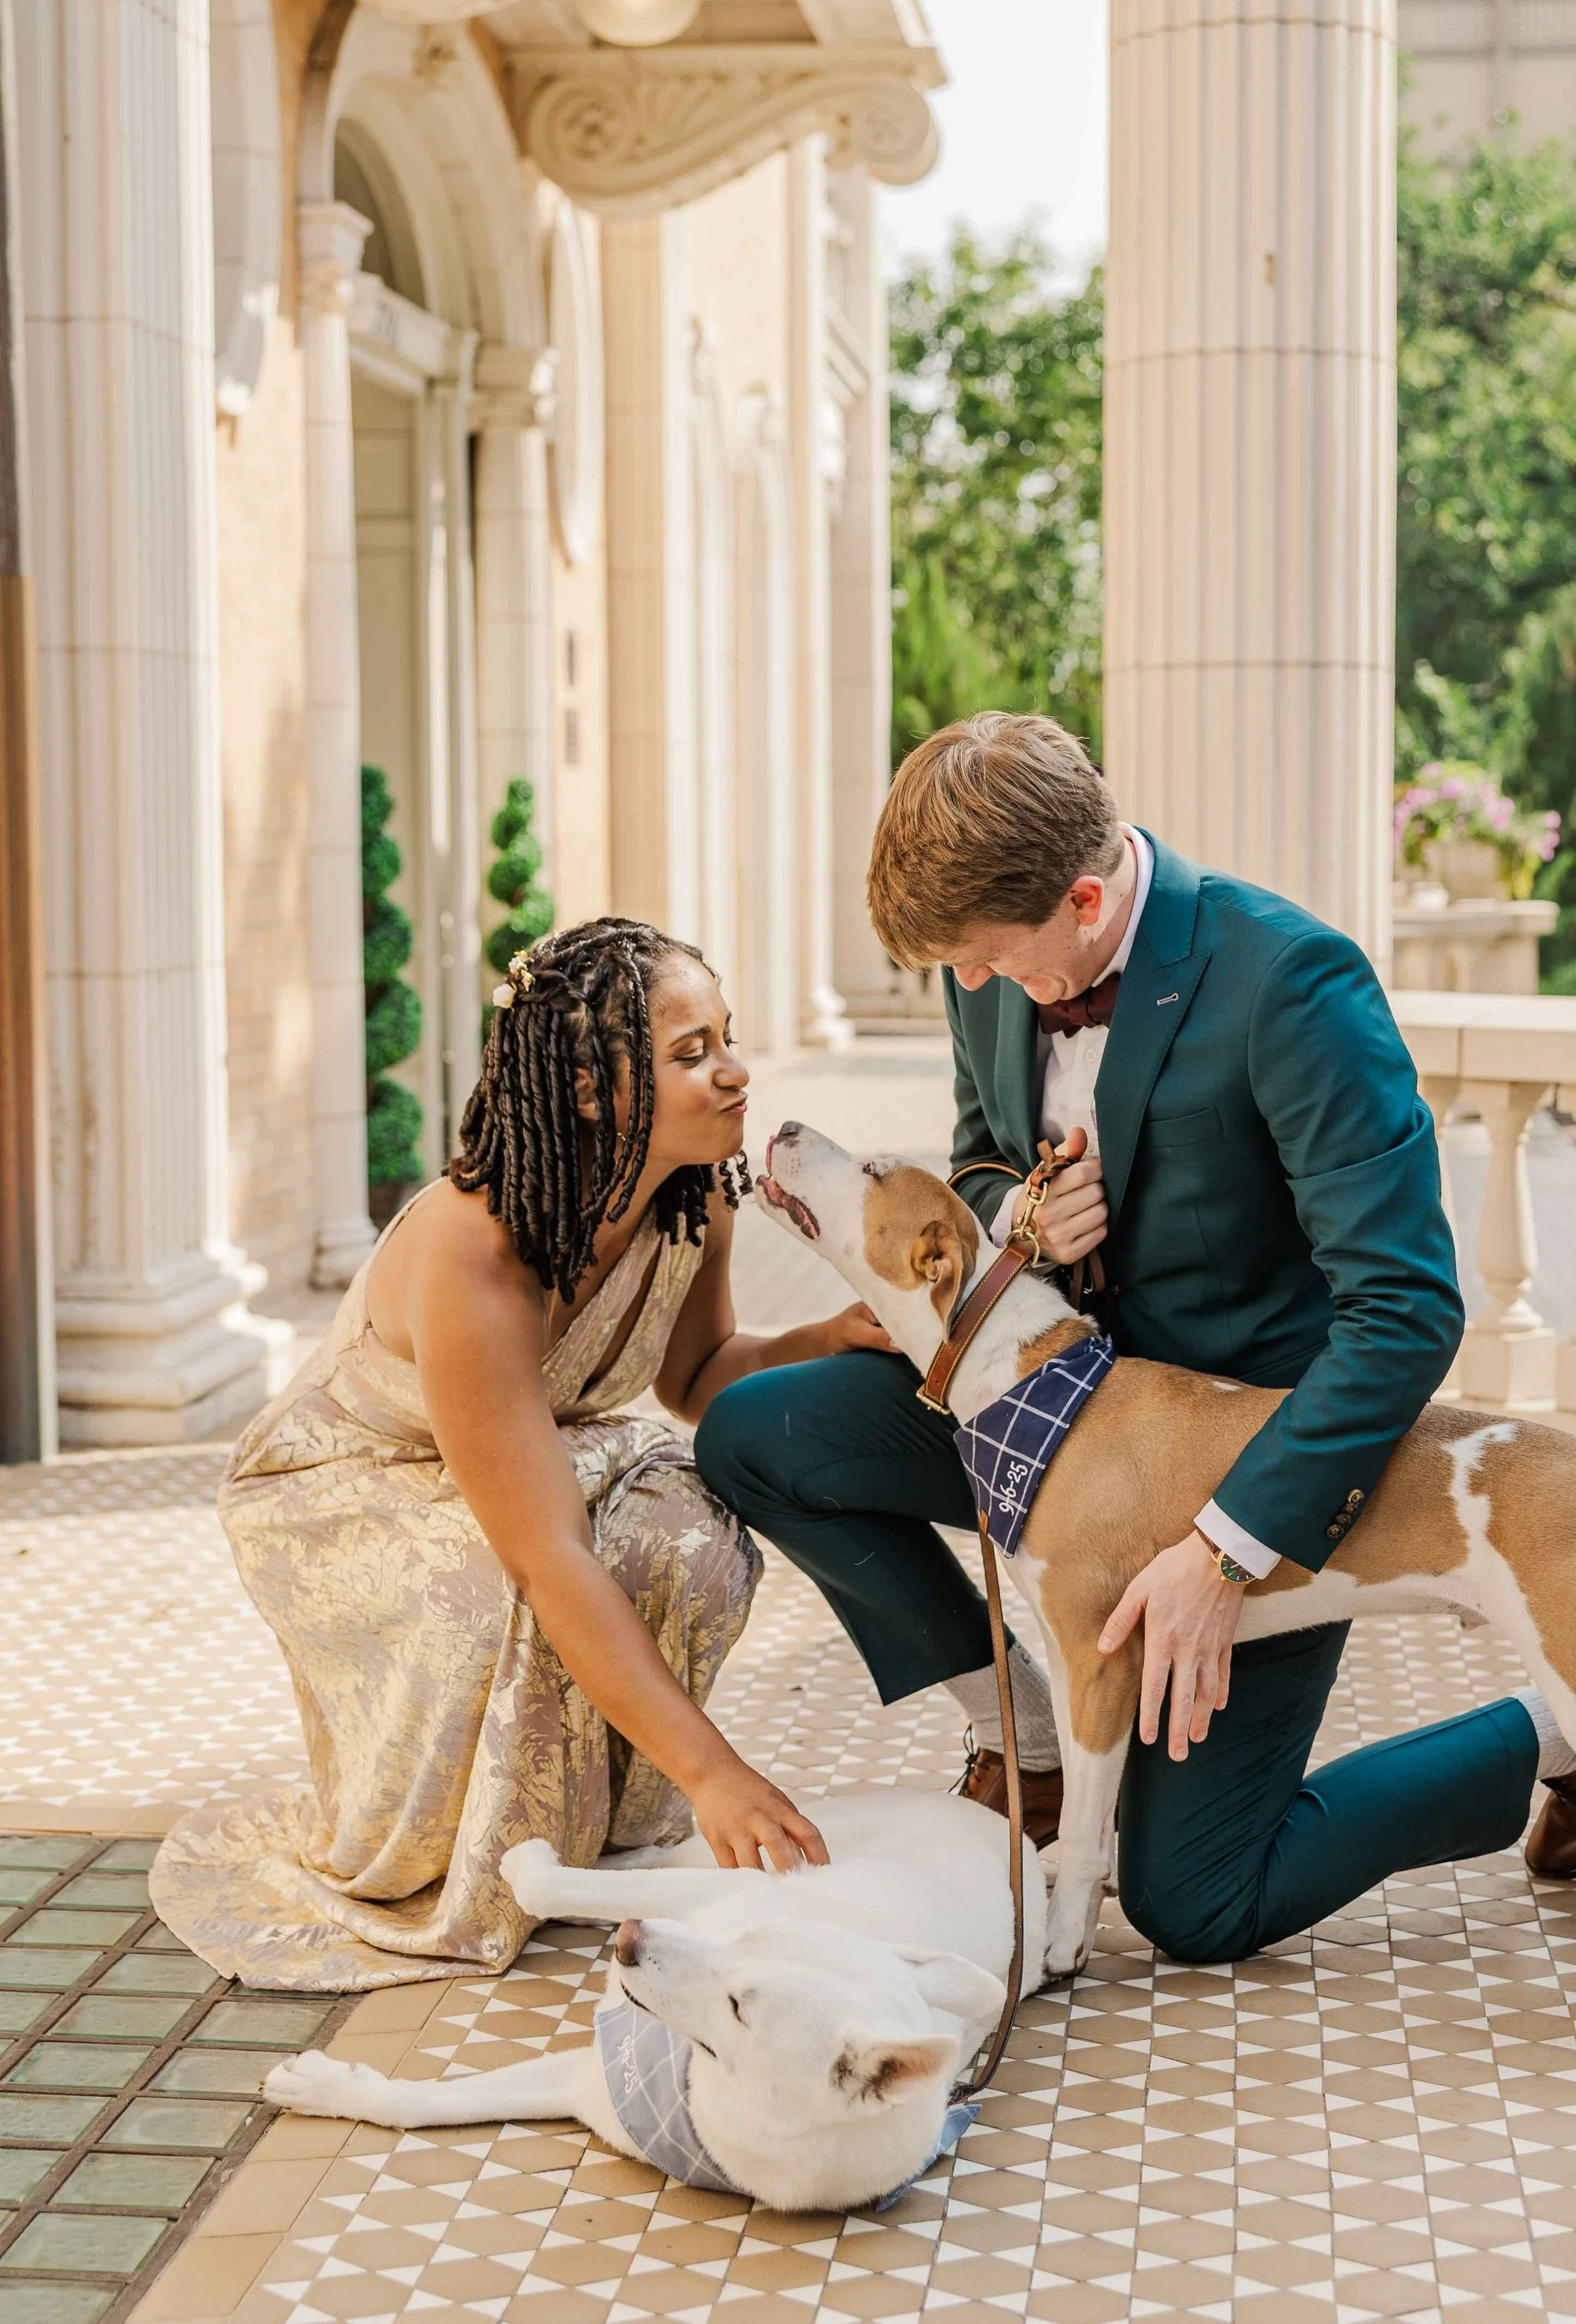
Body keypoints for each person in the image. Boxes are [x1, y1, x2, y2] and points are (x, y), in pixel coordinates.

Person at [698, 712, 1574, 1962]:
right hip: (1036, 1416)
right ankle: (1031, 1743)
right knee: (757, 1433)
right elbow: (975, 1162)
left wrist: (1223, 1551)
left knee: (1192, 1902)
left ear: (1086, 894)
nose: (983, 989)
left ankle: (1547, 1741)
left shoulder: (1289, 982)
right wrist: (1017, 1216)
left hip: (1244, 1476)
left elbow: (1406, 1307)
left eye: (1000, 963)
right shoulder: (990, 969)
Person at [153, 917, 888, 1991]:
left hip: (518, 1460)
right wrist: (717, 1770)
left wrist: (825, 1338)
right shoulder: (474, 1250)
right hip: (346, 1486)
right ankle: (463, 1855)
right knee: (506, 1583)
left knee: (693, 1527)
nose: (735, 1071)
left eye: (727, 1037)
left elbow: (696, 1375)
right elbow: (547, 1558)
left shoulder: (690, 1197)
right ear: (591, 1090)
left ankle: (595, 1824)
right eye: (691, 1053)